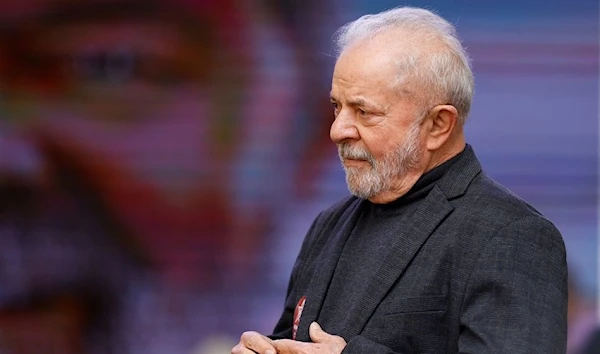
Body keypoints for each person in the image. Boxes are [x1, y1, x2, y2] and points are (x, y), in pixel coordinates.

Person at [232, 6, 568, 354]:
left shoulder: (513, 236)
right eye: (337, 107)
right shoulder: (328, 225)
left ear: (438, 125)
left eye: (364, 112)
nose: (337, 131)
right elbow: (298, 339)